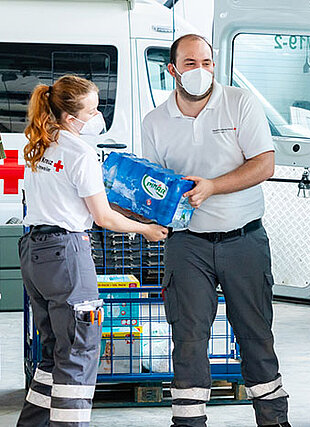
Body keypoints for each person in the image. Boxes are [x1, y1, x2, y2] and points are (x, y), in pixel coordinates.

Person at [141, 34, 289, 427]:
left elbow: (264, 165)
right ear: (172, 70)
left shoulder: (239, 103)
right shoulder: (155, 122)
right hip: (187, 245)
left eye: (206, 62)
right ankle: (188, 422)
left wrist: (212, 186)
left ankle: (274, 420)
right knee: (188, 338)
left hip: (244, 239)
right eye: (190, 63)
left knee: (256, 335)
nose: (200, 71)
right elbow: (154, 187)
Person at [17, 75, 168, 427]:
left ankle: (33, 424)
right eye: (93, 109)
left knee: (56, 349)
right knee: (80, 350)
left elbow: (77, 200)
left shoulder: (40, 144)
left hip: (34, 253)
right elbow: (102, 217)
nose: (98, 115)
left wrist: (128, 213)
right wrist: (146, 229)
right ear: (72, 118)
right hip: (67, 254)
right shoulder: (80, 151)